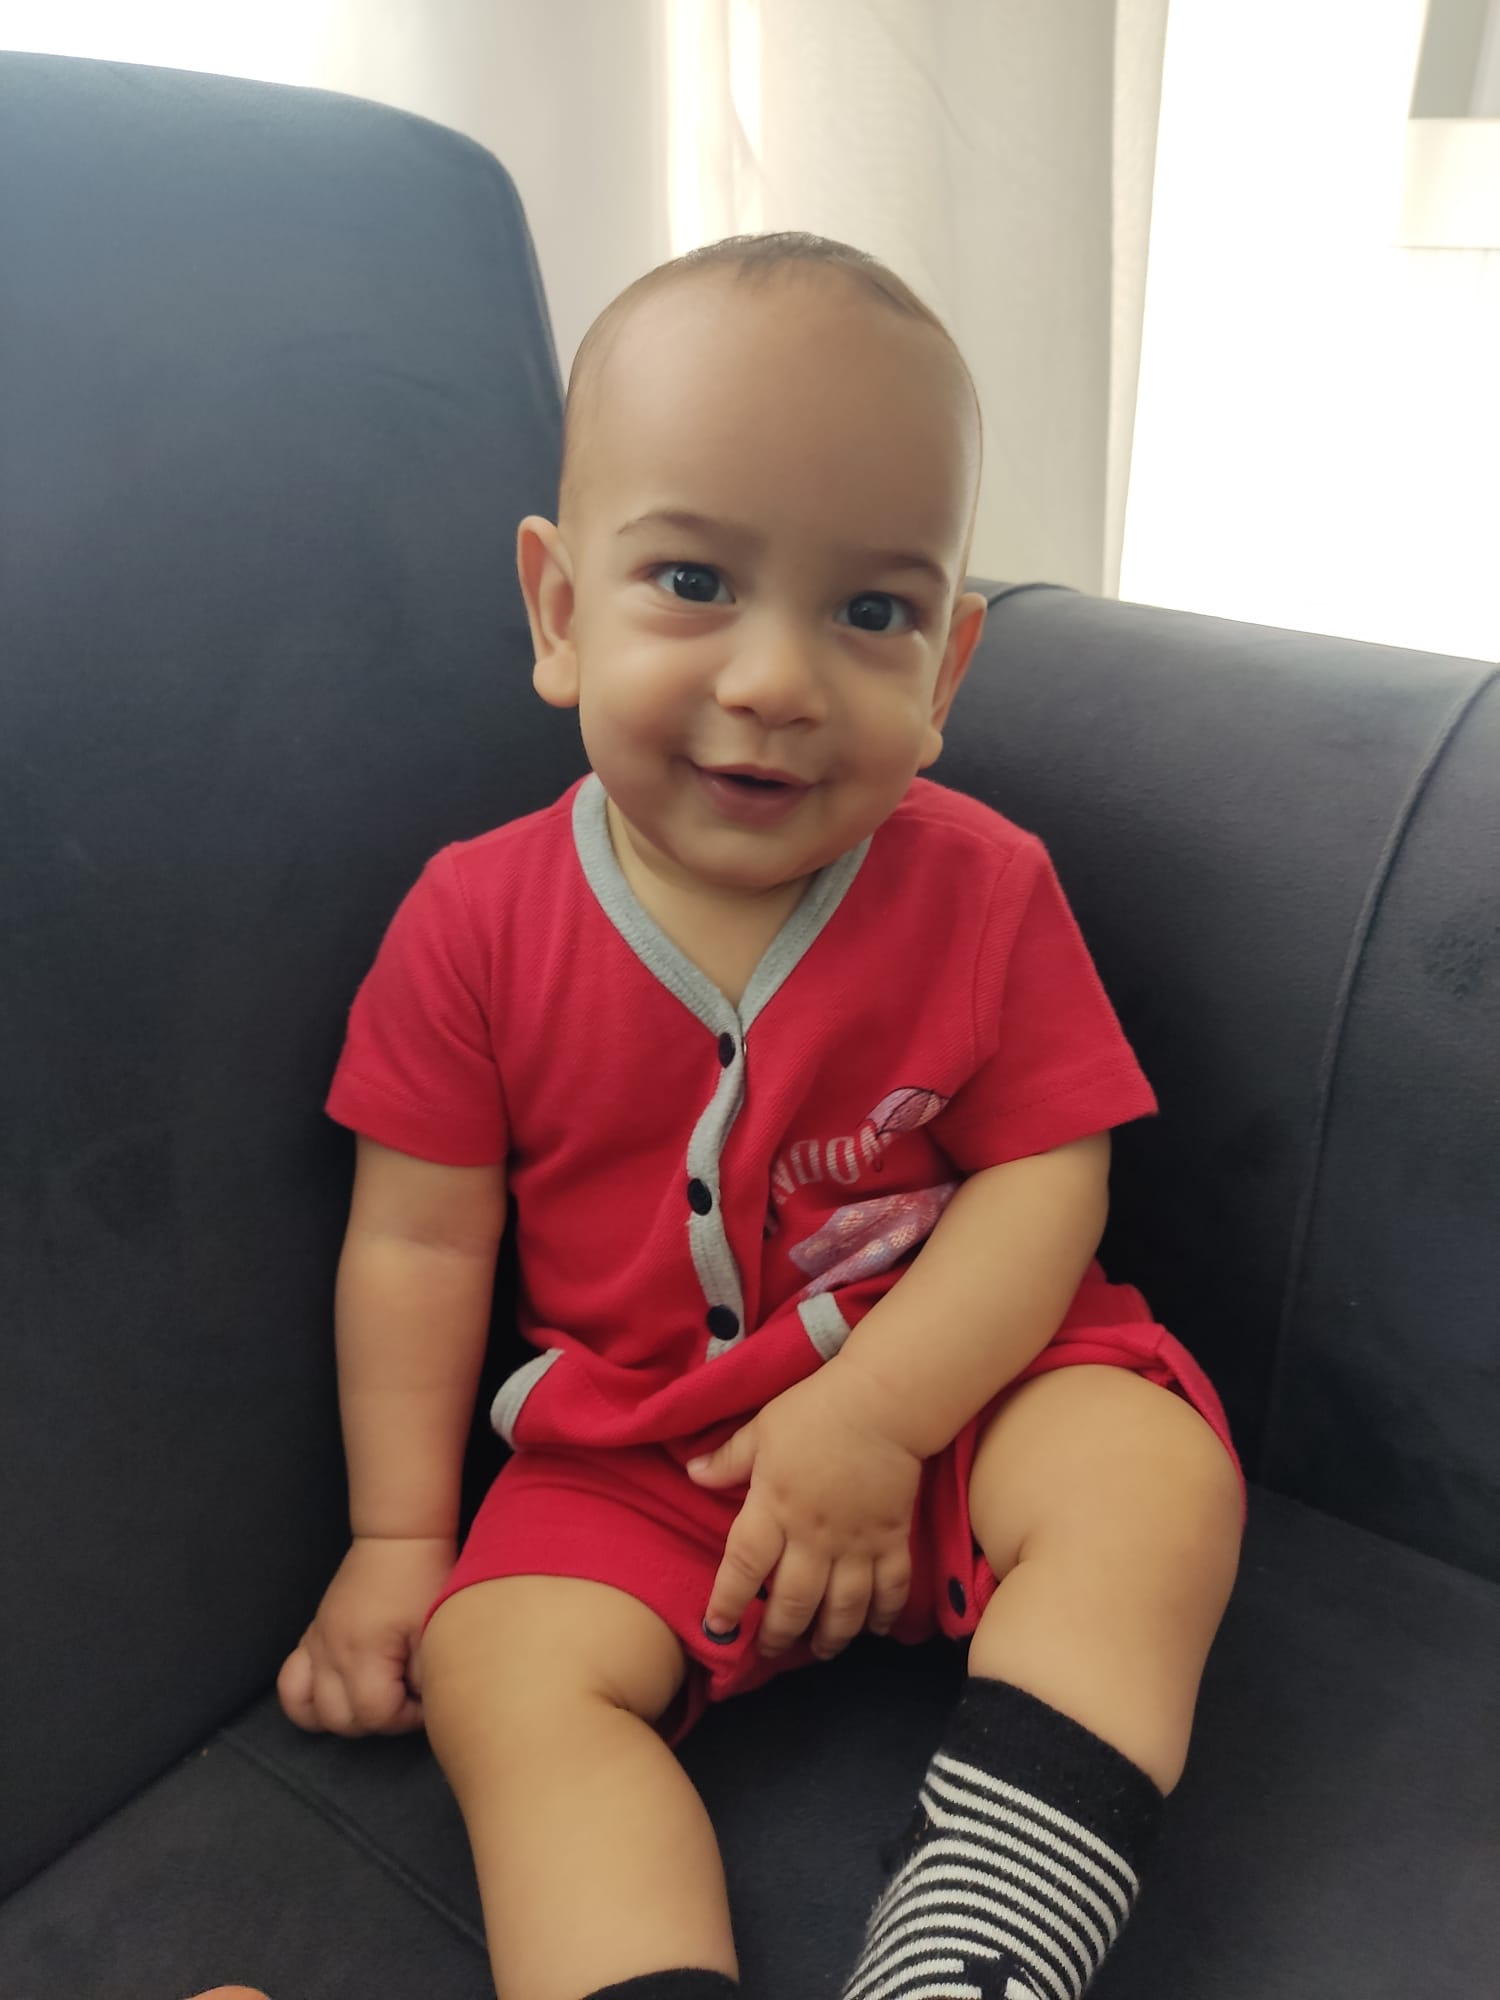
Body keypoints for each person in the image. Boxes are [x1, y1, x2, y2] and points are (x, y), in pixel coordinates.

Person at [275, 233, 1244, 2000]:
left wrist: (880, 1414)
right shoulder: (470, 924)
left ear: (946, 671)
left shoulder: (984, 886)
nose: (779, 680)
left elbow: (1048, 1178)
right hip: (642, 1457)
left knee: (1154, 1478)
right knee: (502, 1668)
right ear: (560, 611)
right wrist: (400, 1541)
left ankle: (973, 1955)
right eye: (695, 582)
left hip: (955, 1390)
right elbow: (417, 1244)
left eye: (871, 614)